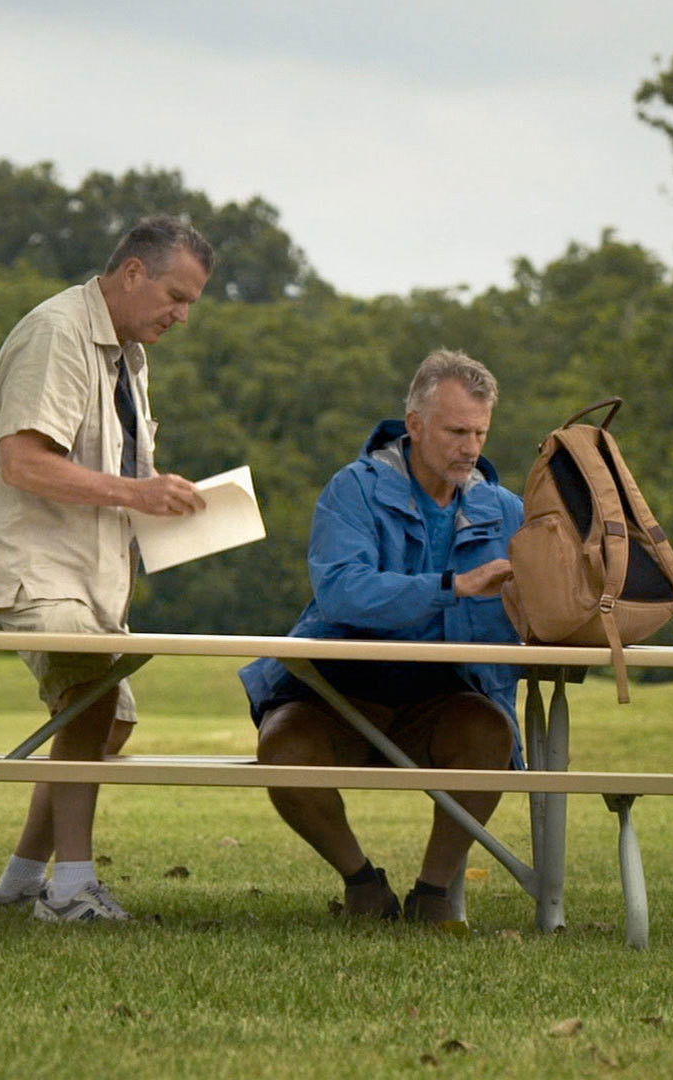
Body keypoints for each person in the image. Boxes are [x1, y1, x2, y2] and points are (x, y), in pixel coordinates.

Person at [0, 216, 213, 922]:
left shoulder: (128, 355)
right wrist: (137, 492)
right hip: (32, 567)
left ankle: (17, 884)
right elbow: (24, 462)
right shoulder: (56, 333)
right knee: (93, 691)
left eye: (192, 303)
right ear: (132, 273)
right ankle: (70, 890)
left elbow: (117, 473)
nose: (182, 316)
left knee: (105, 722)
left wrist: (178, 504)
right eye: (175, 296)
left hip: (91, 575)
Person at [240, 350, 524, 924]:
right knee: (283, 749)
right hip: (335, 694)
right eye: (455, 431)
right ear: (415, 425)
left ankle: (435, 894)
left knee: (488, 738)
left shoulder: (508, 511)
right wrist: (455, 587)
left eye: (480, 432)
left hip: (444, 699)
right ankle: (362, 881)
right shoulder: (354, 490)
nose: (471, 448)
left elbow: (528, 619)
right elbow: (343, 593)